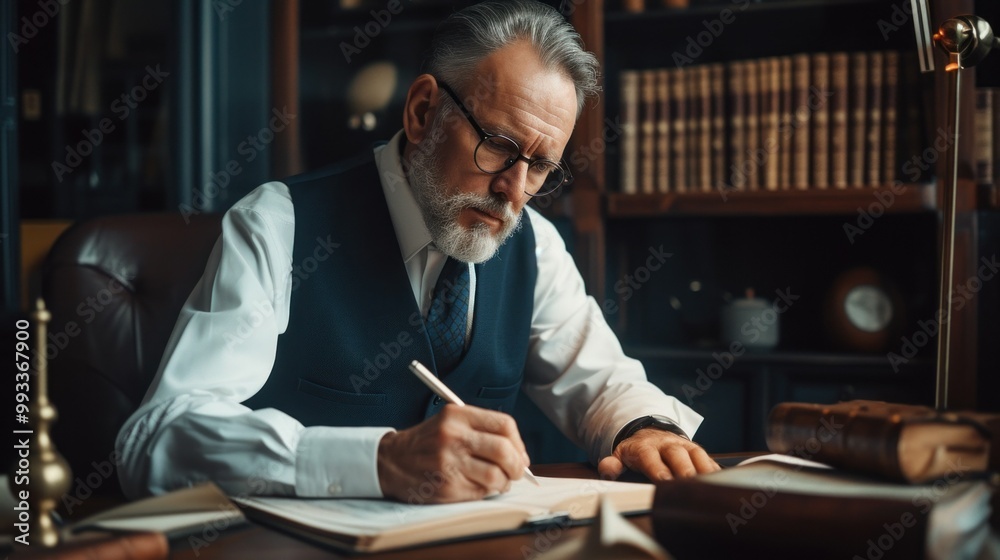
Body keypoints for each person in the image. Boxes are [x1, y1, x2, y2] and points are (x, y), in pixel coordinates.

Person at [116, 0, 719, 504]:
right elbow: (155, 437)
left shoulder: (534, 243)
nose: (514, 190)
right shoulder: (279, 224)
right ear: (423, 110)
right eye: (499, 145)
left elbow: (601, 380)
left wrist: (643, 428)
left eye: (540, 167)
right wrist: (373, 460)